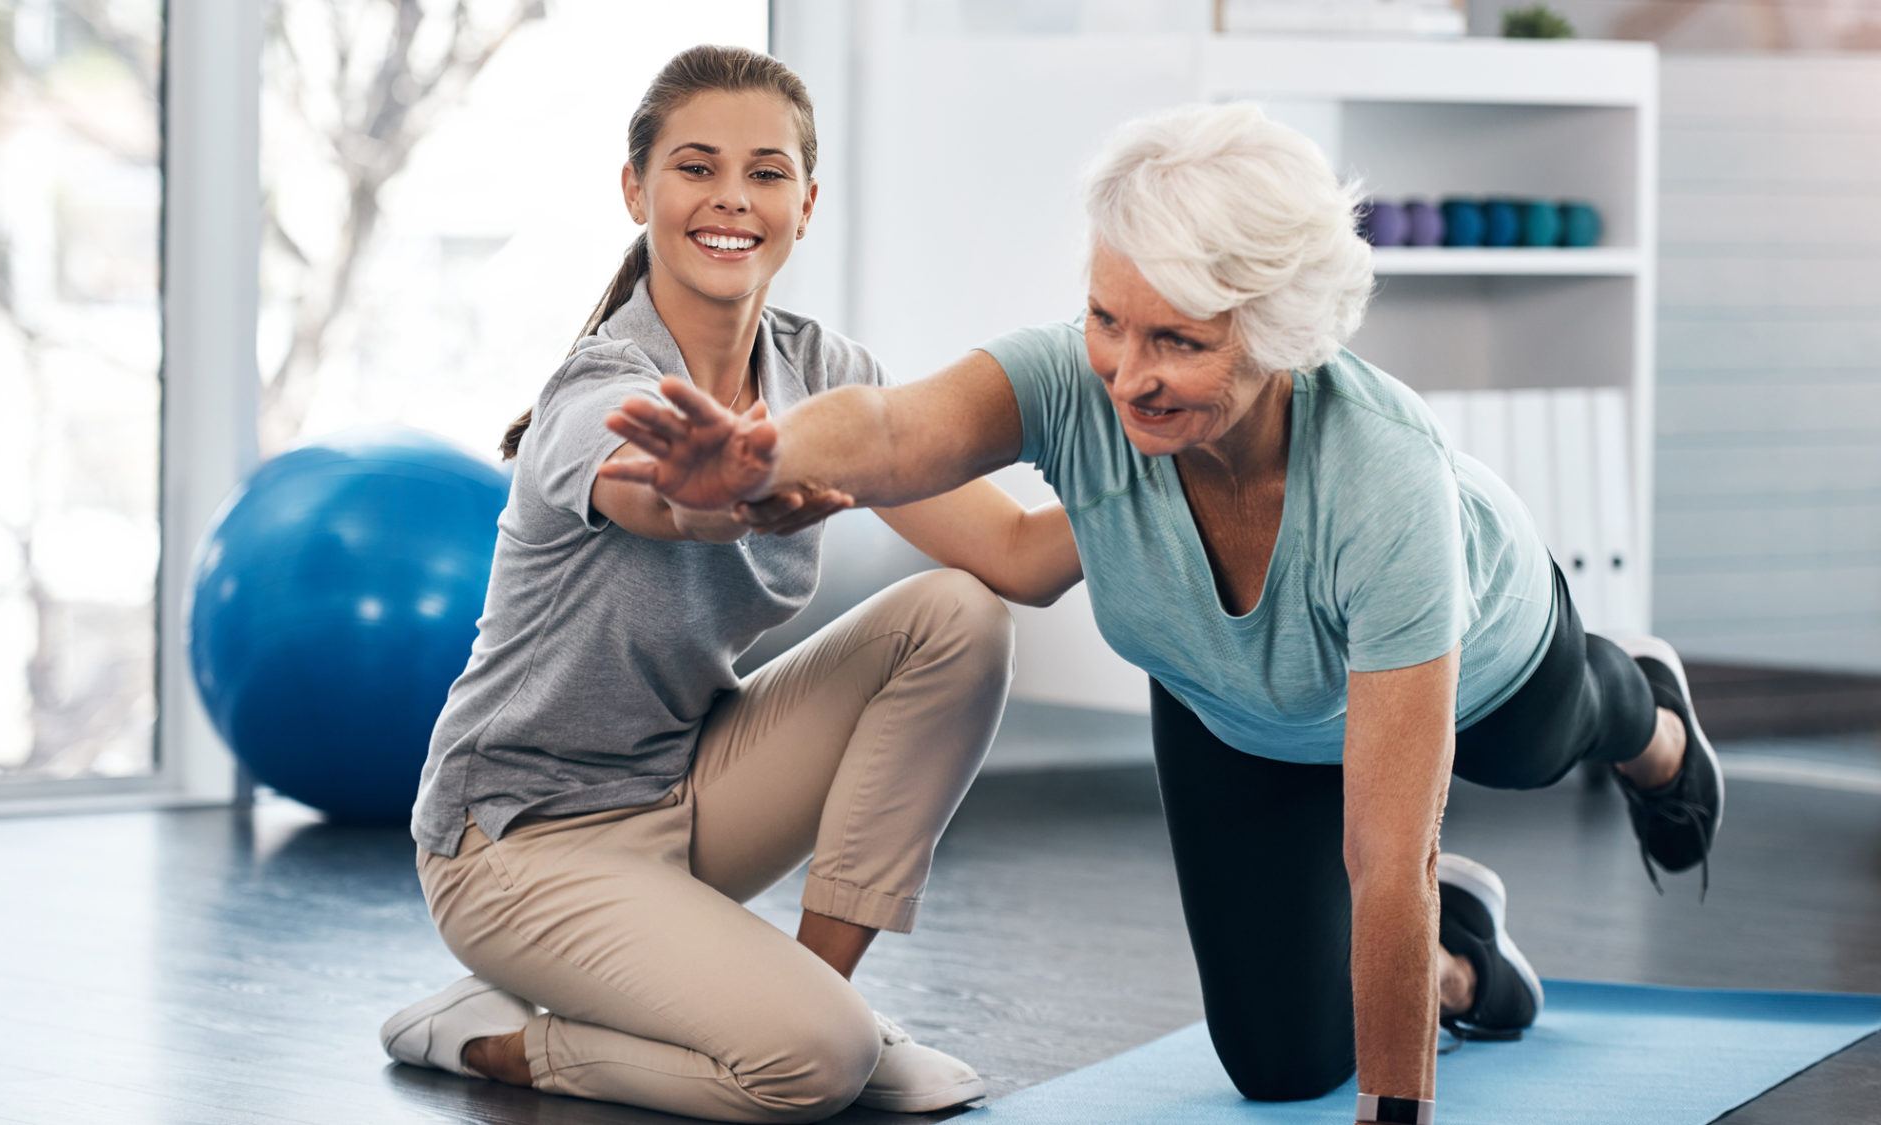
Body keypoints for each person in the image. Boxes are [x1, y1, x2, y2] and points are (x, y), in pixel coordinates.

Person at [602, 101, 1723, 1124]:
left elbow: (1387, 856)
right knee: (1279, 1067)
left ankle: (1651, 714)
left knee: (1545, 740)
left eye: (1179, 341)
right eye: (1106, 320)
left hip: (1486, 663)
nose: (1125, 374)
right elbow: (899, 433)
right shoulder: (1075, 386)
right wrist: (758, 459)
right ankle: (1460, 964)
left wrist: (1396, 1114)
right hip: (1234, 709)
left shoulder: (1385, 486)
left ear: (1281, 332)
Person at [377, 46, 1081, 1124]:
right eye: (694, 167)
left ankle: (815, 996)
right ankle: (503, 1041)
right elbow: (662, 500)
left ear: (804, 201)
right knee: (807, 1070)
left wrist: (1180, 457)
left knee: (957, 616)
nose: (730, 200)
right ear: (636, 190)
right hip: (516, 843)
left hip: (685, 792)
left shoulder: (828, 375)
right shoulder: (599, 388)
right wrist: (720, 495)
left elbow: (1020, 561)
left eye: (763, 173)